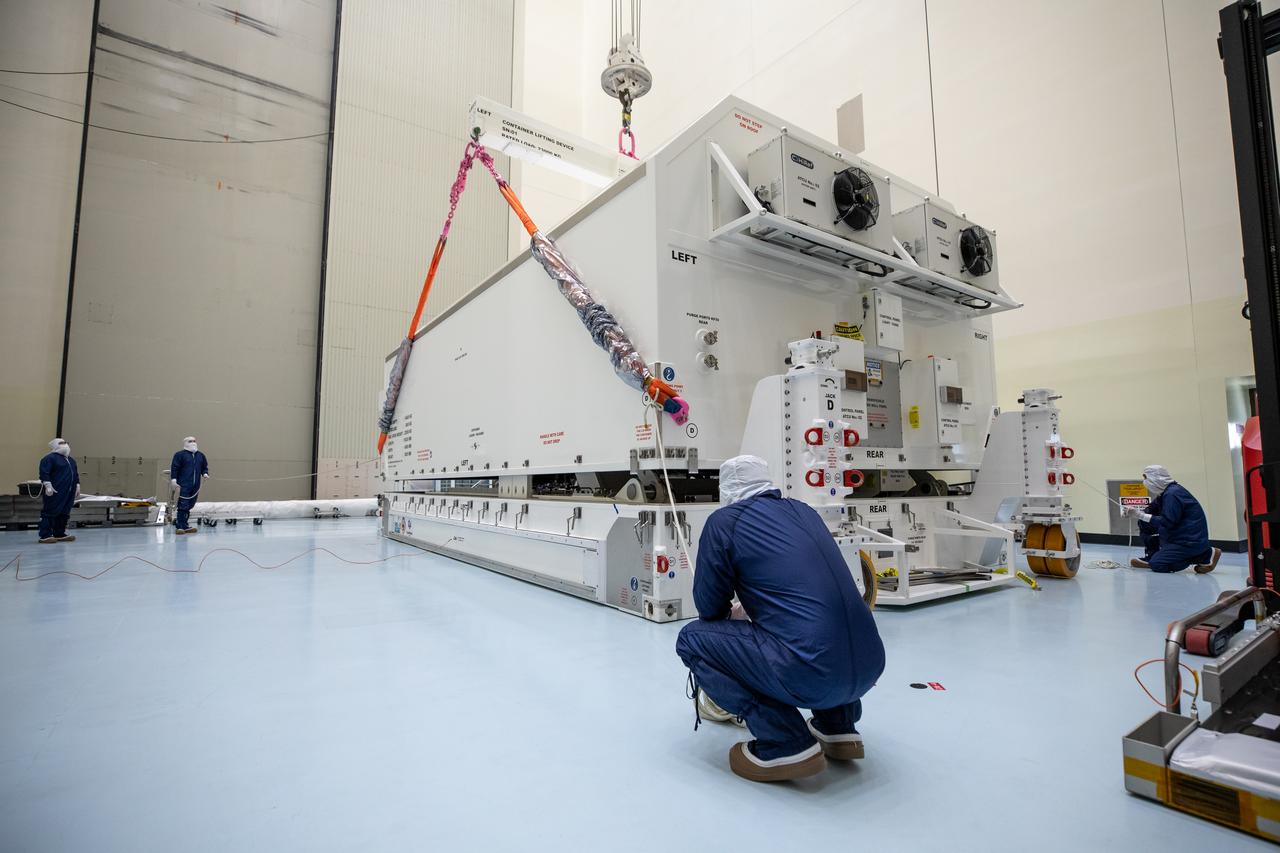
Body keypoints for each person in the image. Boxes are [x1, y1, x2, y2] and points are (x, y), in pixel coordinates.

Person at [675, 455, 886, 783]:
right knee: (817, 629)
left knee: (691, 639)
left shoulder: (724, 522)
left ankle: (784, 741)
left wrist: (738, 615)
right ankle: (837, 726)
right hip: (870, 662)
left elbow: (709, 608)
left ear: (726, 489)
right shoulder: (805, 512)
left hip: (811, 672)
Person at [1121, 464, 1220, 574]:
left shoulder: (1172, 494)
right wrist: (1133, 512)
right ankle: (1153, 556)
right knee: (1144, 523)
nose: (1144, 482)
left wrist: (1140, 515)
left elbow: (1168, 522)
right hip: (1179, 535)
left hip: (1188, 541)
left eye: (1146, 478)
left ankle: (1206, 555)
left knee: (1158, 565)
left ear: (1155, 479)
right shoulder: (1165, 493)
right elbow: (1150, 510)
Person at [37, 438, 80, 544]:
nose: (65, 445)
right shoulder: (49, 458)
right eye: (61, 443)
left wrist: (77, 485)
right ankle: (45, 535)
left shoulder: (71, 460)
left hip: (69, 491)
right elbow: (44, 472)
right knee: (50, 511)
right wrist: (47, 485)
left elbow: (75, 474)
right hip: (55, 490)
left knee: (64, 512)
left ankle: (59, 533)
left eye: (65, 443)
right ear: (55, 445)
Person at [170, 436, 209, 535]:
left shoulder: (200, 455)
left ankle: (185, 525)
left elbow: (204, 466)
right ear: (185, 443)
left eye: (194, 441)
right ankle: (180, 526)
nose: (193, 443)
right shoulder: (180, 455)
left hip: (196, 485)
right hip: (184, 484)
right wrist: (174, 479)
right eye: (190, 441)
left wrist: (205, 473)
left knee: (190, 504)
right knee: (183, 504)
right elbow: (175, 467)